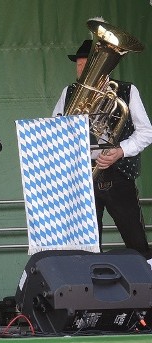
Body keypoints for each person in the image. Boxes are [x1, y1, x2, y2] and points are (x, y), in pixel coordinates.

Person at [53, 39, 152, 266]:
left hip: (119, 175)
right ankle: (88, 296)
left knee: (136, 241)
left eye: (85, 64)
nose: (80, 69)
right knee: (87, 245)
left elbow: (146, 132)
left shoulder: (126, 90)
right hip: (83, 177)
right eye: (77, 65)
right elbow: (55, 133)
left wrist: (121, 150)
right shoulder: (68, 93)